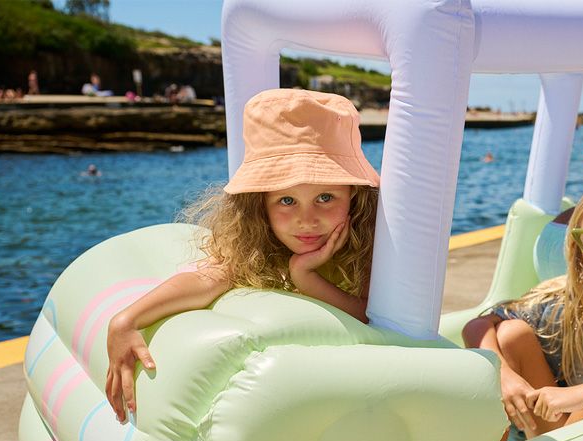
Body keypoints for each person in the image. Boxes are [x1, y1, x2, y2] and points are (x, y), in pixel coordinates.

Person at [106, 89, 380, 422]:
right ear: (259, 206)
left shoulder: (370, 246)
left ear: (354, 196)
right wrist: (126, 320)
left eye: (325, 197)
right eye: (287, 201)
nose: (307, 219)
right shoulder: (257, 247)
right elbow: (206, 279)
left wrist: (305, 277)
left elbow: (375, 320)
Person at [462, 191, 583, 441]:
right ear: (576, 249)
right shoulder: (562, 301)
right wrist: (503, 374)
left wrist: (577, 395)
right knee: (510, 334)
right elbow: (477, 326)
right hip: (562, 438)